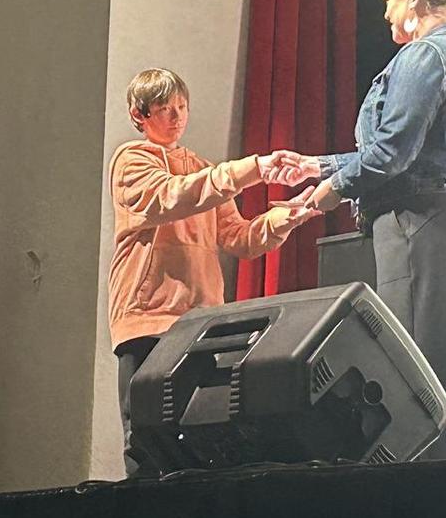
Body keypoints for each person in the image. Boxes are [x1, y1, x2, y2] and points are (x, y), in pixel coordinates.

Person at [286, 0, 446, 460]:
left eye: (390, 0)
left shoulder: (425, 55)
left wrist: (330, 190)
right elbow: (410, 152)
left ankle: (421, 499)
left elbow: (392, 153)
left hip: (419, 224)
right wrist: (318, 166)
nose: (385, 12)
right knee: (444, 379)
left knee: (415, 381)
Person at [106, 68, 316, 476]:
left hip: (198, 323)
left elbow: (239, 238)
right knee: (145, 440)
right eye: (165, 109)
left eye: (182, 107)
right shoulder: (131, 160)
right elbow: (169, 197)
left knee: (198, 438)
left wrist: (284, 218)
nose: (177, 117)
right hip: (146, 319)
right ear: (139, 115)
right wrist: (254, 169)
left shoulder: (201, 168)